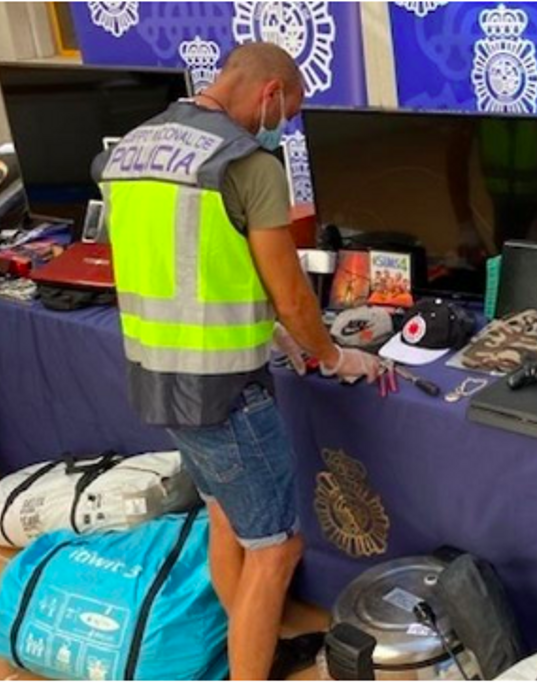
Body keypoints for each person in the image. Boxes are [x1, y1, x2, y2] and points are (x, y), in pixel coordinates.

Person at [92, 42, 383, 680]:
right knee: (278, 549)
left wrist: (273, 335)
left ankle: (255, 649)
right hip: (223, 391)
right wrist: (335, 357)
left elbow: (190, 263)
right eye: (289, 111)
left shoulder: (132, 147)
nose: (283, 125)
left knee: (226, 515)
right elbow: (292, 295)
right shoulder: (245, 163)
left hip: (156, 375)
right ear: (270, 93)